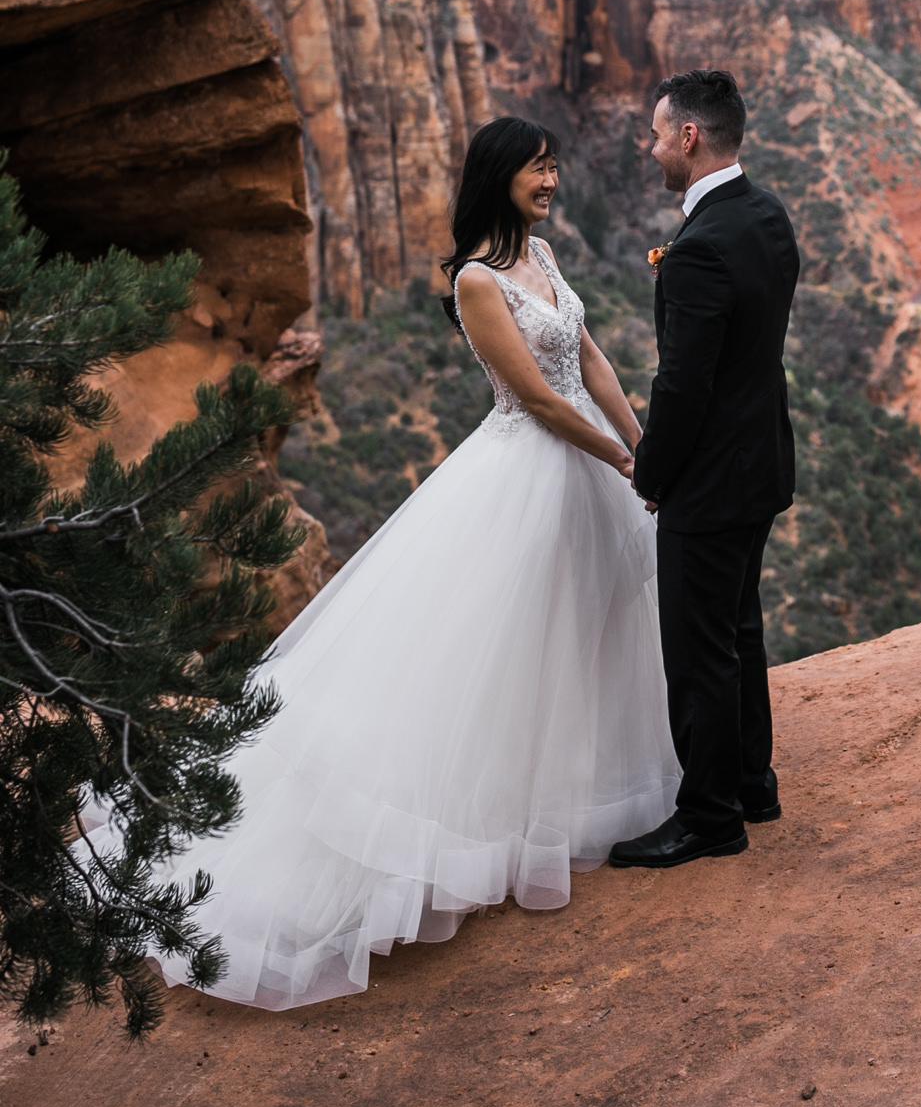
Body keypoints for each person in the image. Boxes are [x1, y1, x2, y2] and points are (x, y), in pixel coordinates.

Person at [92, 116, 679, 1010]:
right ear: (499, 177)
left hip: (587, 468)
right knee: (498, 645)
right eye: (535, 168)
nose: (550, 179)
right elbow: (533, 396)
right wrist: (625, 463)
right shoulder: (476, 280)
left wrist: (643, 441)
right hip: (526, 472)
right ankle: (458, 831)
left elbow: (589, 359)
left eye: (554, 166)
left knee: (573, 633)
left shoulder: (546, 256)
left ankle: (551, 806)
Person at [610, 69, 800, 871]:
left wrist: (652, 472)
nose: (649, 148)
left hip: (710, 480)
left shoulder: (699, 248)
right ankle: (751, 781)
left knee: (697, 649)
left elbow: (682, 383)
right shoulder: (766, 215)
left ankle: (709, 814)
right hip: (760, 465)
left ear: (688, 137)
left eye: (656, 134)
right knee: (738, 631)